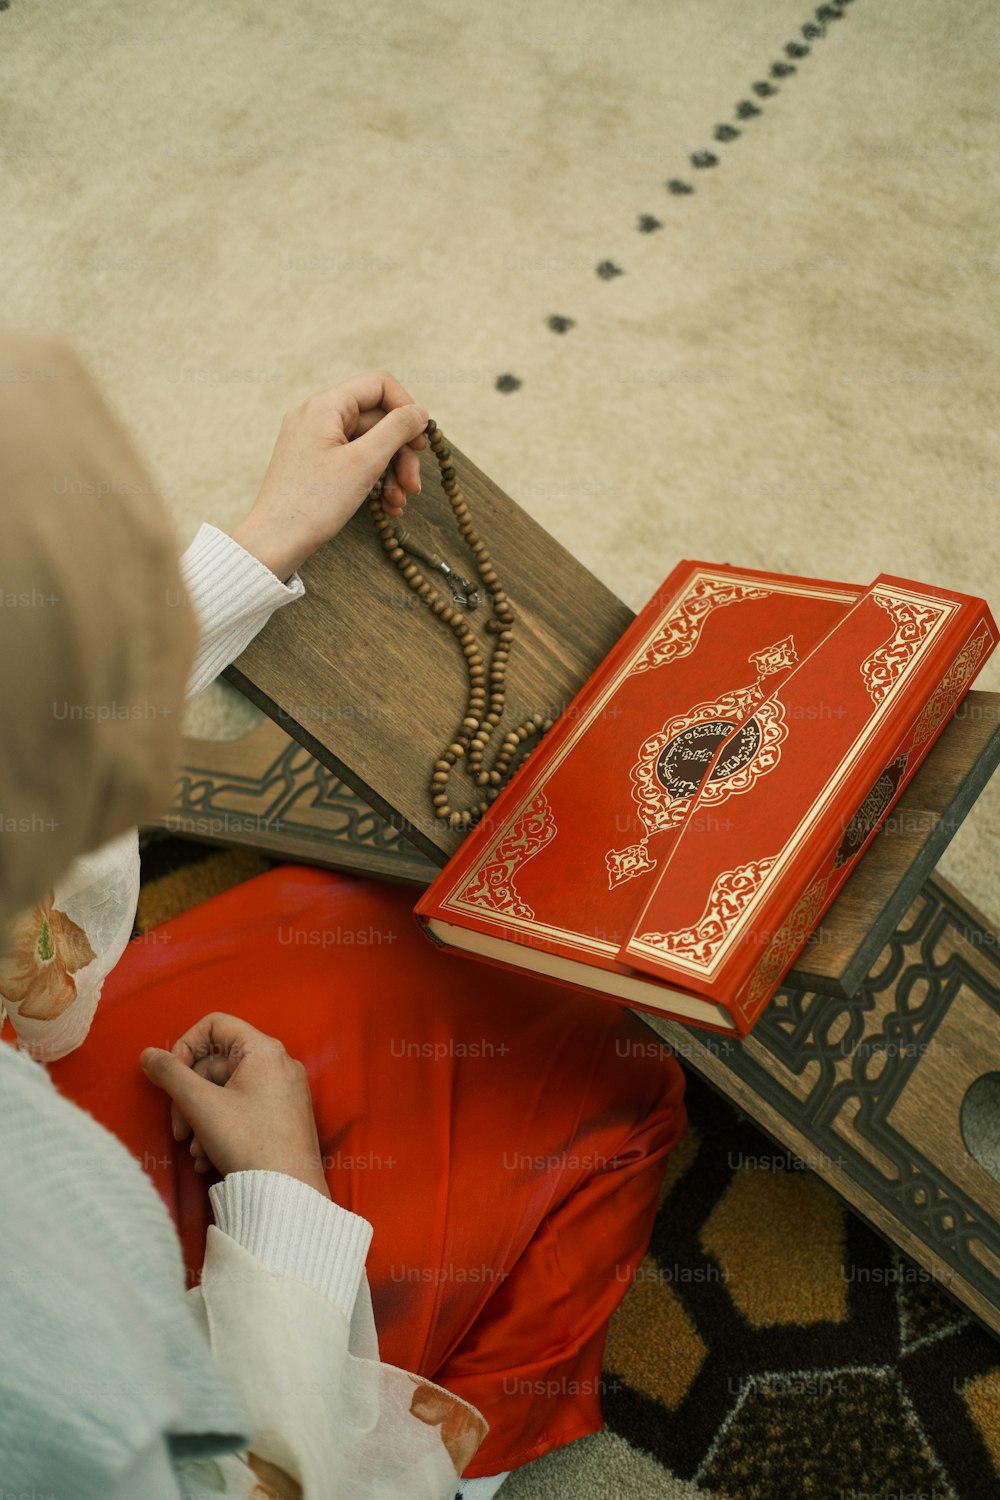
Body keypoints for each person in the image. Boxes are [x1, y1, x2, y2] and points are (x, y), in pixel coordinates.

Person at [0, 330, 687, 1499]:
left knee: (348, 923)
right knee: (617, 1078)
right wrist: (282, 1197)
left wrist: (266, 537)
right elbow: (234, 1474)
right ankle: (460, 1463)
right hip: (172, 1363)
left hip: (44, 1134)